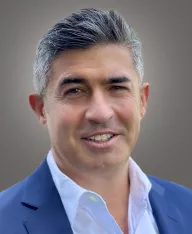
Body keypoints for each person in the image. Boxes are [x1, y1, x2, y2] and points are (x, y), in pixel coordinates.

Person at [0, 8, 191, 234]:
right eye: (75, 91)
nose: (100, 113)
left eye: (117, 88)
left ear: (142, 100)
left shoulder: (187, 206)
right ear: (41, 109)